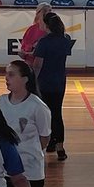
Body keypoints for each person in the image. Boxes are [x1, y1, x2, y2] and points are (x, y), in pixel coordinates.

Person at [32, 12, 75, 161]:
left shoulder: (44, 42)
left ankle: (45, 143)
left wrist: (32, 81)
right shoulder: (64, 40)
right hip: (59, 82)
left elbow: (38, 65)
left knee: (45, 114)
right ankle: (59, 146)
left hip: (44, 82)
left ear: (46, 25)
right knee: (57, 113)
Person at [19, 2, 52, 67]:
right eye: (45, 11)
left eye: (50, 10)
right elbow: (24, 48)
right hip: (31, 63)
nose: (48, 13)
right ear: (38, 13)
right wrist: (24, 53)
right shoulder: (31, 30)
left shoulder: (54, 30)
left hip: (48, 65)